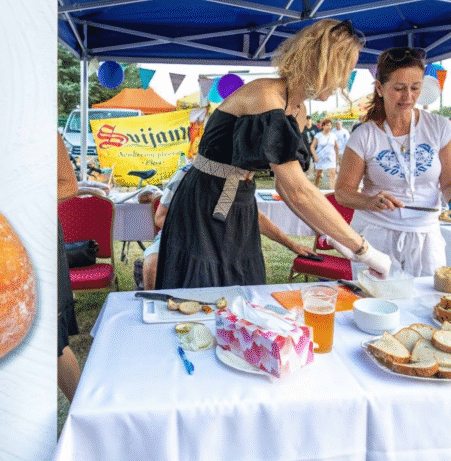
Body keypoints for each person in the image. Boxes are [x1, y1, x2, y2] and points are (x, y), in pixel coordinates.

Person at [155, 19, 391, 289]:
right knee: (201, 286)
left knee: (241, 282)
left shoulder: (298, 111)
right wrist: (364, 250)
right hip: (204, 200)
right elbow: (299, 191)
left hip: (240, 200)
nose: (343, 82)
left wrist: (333, 237)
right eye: (344, 71)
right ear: (322, 64)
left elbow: (286, 186)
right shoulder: (265, 95)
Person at [335, 47, 451, 276]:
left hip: (425, 236)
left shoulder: (440, 128)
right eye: (399, 88)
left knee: (427, 296)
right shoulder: (364, 135)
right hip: (376, 235)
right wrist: (370, 201)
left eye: (415, 87)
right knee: (375, 295)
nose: (408, 96)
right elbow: (343, 192)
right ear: (379, 88)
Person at [139, 160, 312, 290]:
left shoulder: (237, 179)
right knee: (153, 265)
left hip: (221, 243)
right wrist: (201, 233)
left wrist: (292, 245)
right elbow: (161, 218)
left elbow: (255, 218)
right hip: (182, 237)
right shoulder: (187, 173)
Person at [56, 133, 82, 402]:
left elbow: (68, 185)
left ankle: (81, 413)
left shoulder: (38, 128)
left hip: (34, 238)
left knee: (53, 339)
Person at [311, 118, 338, 188]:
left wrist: (337, 158)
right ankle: (316, 188)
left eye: (330, 125)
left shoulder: (333, 135)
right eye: (327, 125)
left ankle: (333, 190)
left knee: (332, 174)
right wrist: (315, 156)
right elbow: (312, 147)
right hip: (320, 158)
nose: (329, 127)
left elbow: (336, 147)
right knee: (318, 175)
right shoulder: (318, 135)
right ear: (323, 126)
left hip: (331, 157)